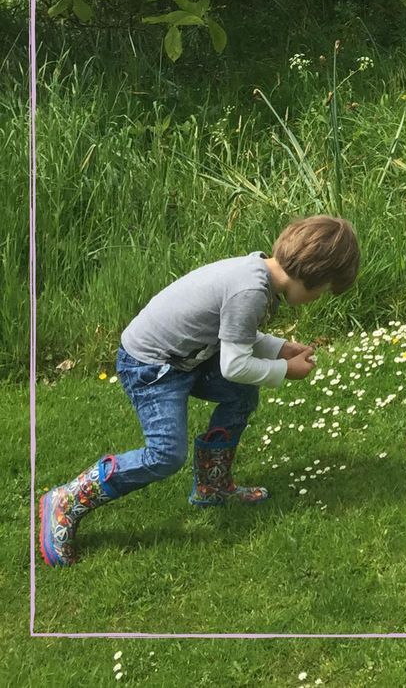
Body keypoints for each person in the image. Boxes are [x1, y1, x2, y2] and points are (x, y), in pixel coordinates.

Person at [39, 215, 360, 566]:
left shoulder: (256, 273)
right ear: (312, 274)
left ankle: (212, 485)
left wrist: (280, 347)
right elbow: (234, 364)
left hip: (188, 356)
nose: (318, 299)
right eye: (324, 290)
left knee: (240, 394)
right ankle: (68, 499)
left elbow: (235, 335)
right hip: (152, 366)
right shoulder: (251, 290)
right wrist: (285, 370)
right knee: (165, 454)